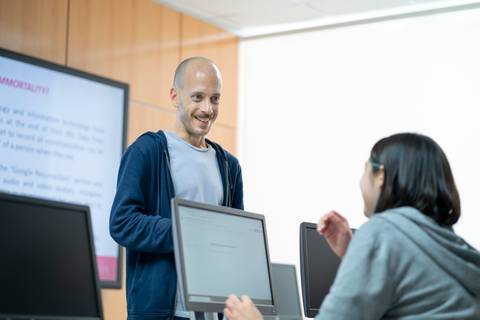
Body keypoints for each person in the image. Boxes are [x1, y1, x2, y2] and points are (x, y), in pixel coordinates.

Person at [224, 133, 480, 320]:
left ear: (380, 176)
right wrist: (354, 250)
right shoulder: (451, 246)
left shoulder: (382, 232)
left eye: (365, 170)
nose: (361, 181)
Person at [110, 57, 244, 320]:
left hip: (212, 313)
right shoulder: (147, 151)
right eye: (197, 97)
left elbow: (235, 239)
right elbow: (122, 223)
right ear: (175, 96)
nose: (207, 109)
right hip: (161, 312)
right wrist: (186, 233)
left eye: (215, 99)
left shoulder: (230, 166)